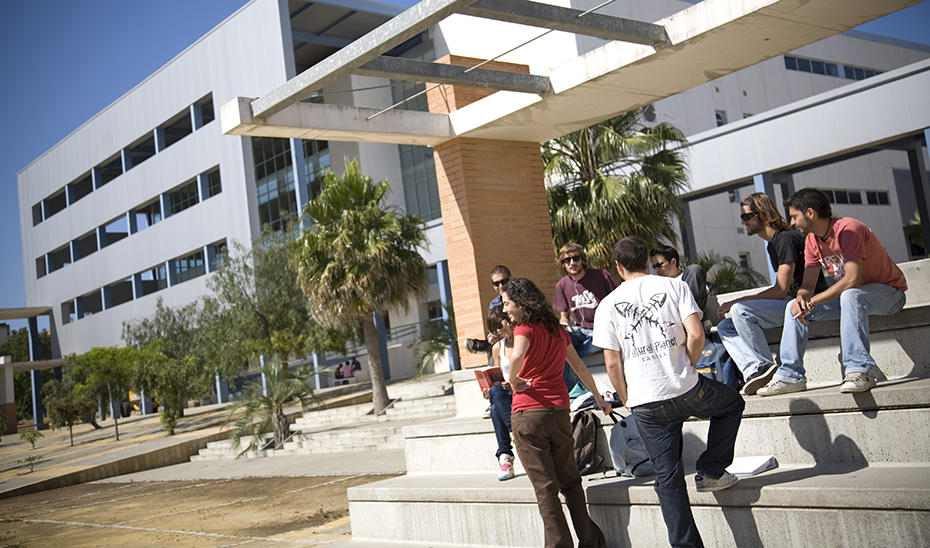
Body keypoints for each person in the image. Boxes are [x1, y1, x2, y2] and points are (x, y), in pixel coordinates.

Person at [593, 236, 745, 548]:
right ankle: (712, 469)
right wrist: (687, 364)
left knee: (667, 479)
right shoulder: (674, 286)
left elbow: (611, 364)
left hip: (646, 403)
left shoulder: (607, 305)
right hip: (685, 388)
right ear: (647, 259)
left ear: (618, 266)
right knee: (730, 404)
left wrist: (629, 400)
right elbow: (697, 334)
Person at [757, 188, 908, 396]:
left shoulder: (849, 229)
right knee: (793, 307)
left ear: (810, 213)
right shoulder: (811, 241)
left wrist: (813, 301)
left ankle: (859, 370)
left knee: (850, 294)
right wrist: (802, 299)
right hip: (852, 301)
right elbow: (808, 286)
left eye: (794, 216)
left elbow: (852, 279)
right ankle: (791, 376)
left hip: (889, 294)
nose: (791, 223)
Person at [503, 277, 611, 548]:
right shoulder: (556, 329)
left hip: (529, 414)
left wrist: (513, 380)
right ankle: (591, 542)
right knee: (571, 482)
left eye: (507, 304)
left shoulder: (523, 329)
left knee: (545, 488)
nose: (505, 310)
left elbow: (515, 357)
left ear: (521, 303)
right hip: (559, 412)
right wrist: (599, 398)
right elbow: (580, 367)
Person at [715, 193, 827, 395]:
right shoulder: (772, 245)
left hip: (809, 303)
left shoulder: (785, 238)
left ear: (764, 215)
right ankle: (757, 368)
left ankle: (768, 368)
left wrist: (736, 301)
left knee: (741, 311)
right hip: (788, 303)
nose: (743, 221)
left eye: (747, 216)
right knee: (725, 327)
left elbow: (780, 290)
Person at [553, 244, 617, 358]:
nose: (572, 263)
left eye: (576, 258)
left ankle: (573, 356)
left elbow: (617, 303)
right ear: (563, 264)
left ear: (582, 260)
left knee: (595, 343)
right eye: (567, 260)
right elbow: (564, 317)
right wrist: (563, 324)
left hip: (601, 330)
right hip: (579, 331)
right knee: (558, 339)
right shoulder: (561, 285)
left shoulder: (602, 276)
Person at [649, 245, 715, 334]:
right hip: (670, 330)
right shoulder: (657, 285)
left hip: (694, 324)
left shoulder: (689, 278)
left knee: (694, 269)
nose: (657, 270)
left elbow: (697, 297)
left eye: (659, 265)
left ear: (673, 262)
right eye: (654, 267)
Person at [485, 306, 515, 480]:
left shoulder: (522, 340)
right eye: (494, 328)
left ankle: (505, 456)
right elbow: (499, 376)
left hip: (524, 388)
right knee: (495, 391)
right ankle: (514, 432)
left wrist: (514, 384)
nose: (498, 330)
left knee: (496, 407)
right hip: (508, 394)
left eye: (499, 324)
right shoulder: (498, 347)